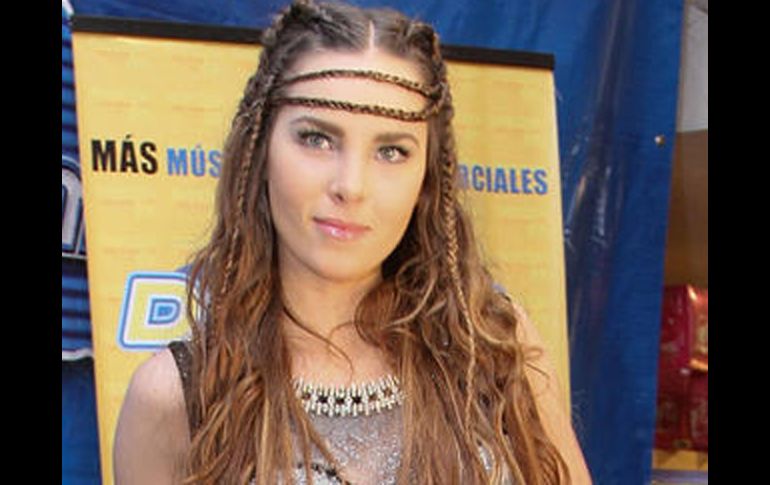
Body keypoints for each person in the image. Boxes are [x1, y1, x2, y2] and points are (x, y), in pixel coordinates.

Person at [113, 0, 592, 483]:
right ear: (259, 150)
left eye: (392, 151)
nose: (351, 186)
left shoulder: (494, 348)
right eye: (317, 139)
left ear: (428, 177)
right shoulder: (176, 397)